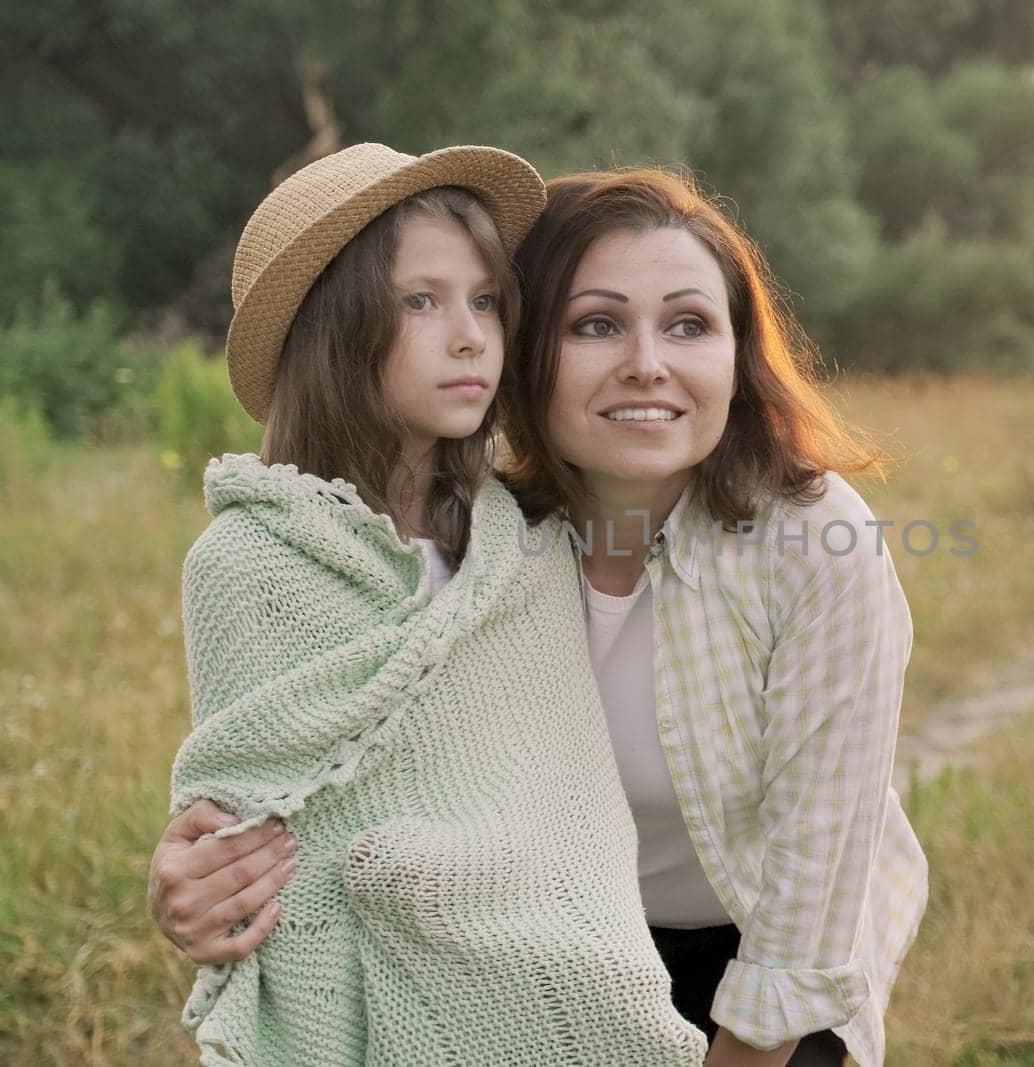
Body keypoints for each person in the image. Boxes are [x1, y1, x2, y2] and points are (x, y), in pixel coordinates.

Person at [151, 166, 927, 1067]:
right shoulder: (488, 544)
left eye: (689, 324)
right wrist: (193, 883)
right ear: (536, 356)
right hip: (529, 964)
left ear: (737, 355)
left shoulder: (813, 540)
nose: (648, 362)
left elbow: (815, 884)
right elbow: (338, 783)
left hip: (759, 970)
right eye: (596, 324)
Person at [162, 142, 706, 1066]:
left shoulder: (527, 545)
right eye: (421, 301)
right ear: (335, 327)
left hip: (565, 981)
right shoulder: (248, 564)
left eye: (487, 301)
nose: (471, 336)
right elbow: (246, 828)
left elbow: (564, 811)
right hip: (359, 1001)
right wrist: (189, 880)